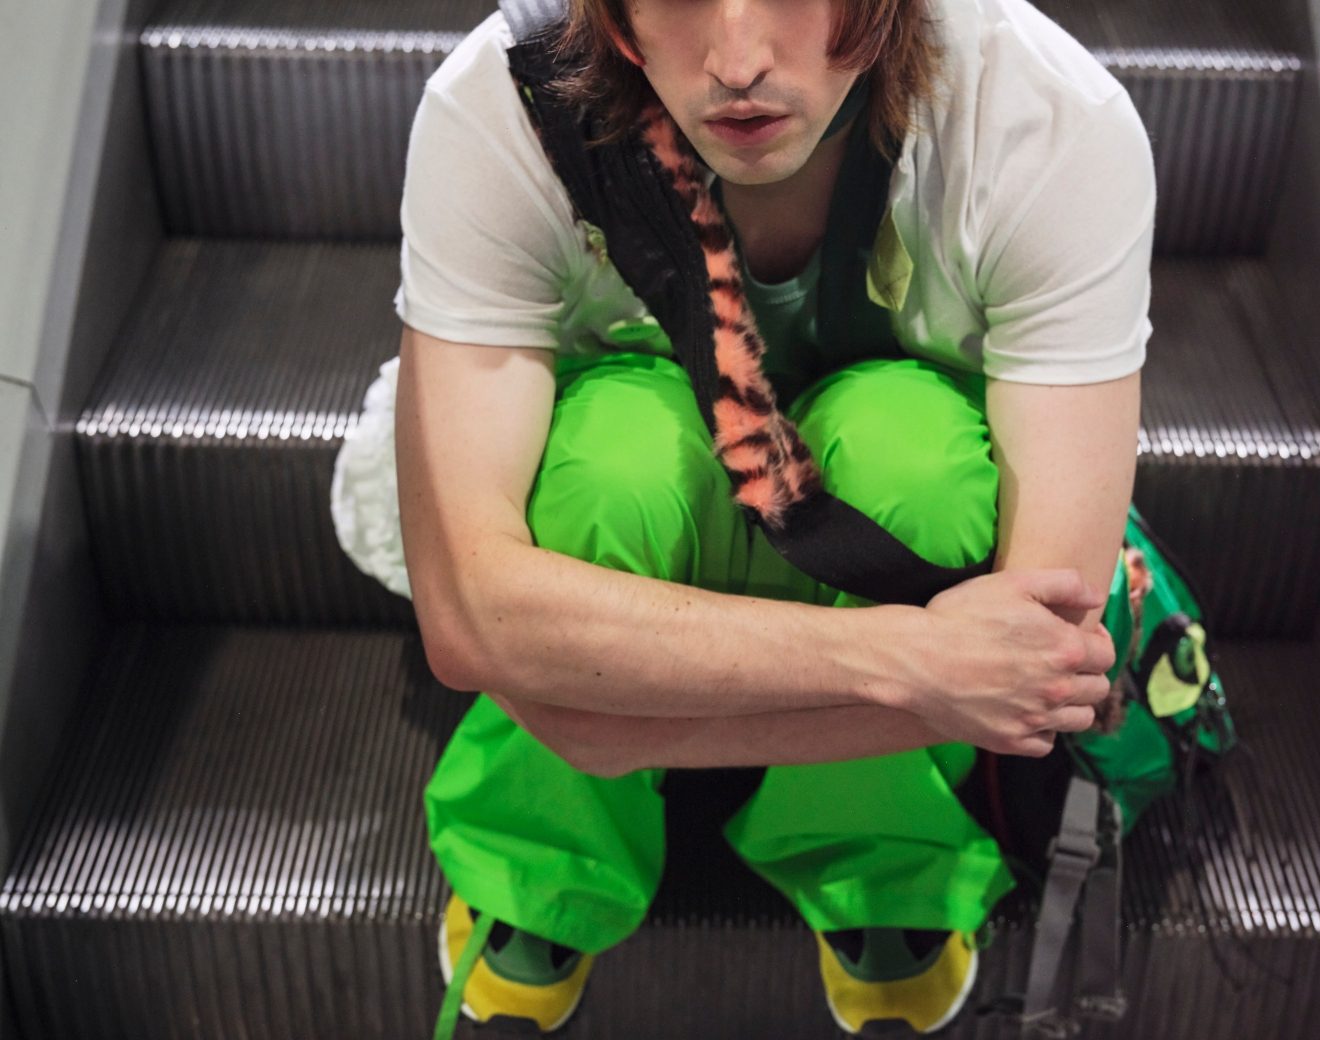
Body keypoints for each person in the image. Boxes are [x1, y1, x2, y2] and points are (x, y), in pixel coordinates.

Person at [338, 0, 1154, 1033]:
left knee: (917, 462)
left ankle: (876, 849)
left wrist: (595, 716)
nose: (736, 61)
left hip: (844, 503)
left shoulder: (1044, 120)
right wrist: (911, 662)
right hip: (661, 476)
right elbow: (469, 619)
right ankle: (547, 855)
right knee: (608, 466)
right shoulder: (505, 103)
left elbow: (1039, 650)